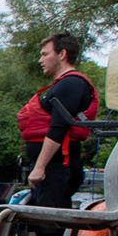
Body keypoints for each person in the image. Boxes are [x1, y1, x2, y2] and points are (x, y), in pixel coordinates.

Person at [21, 30, 101, 217]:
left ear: (62, 54)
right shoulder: (63, 85)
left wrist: (40, 167)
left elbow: (58, 128)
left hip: (58, 167)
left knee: (50, 224)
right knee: (43, 223)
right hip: (54, 167)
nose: (41, 60)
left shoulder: (71, 84)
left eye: (45, 54)